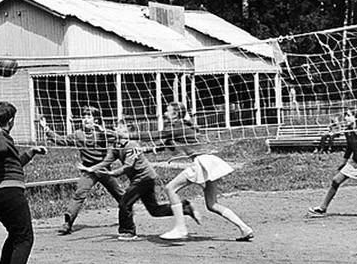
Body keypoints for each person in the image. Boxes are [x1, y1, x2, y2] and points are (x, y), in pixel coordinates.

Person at [80, 118, 198, 241]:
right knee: (154, 210)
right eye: (116, 127)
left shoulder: (132, 145)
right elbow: (106, 161)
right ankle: (185, 208)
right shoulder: (116, 145)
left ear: (127, 131)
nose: (116, 128)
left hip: (144, 178)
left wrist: (112, 173)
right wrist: (91, 169)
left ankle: (128, 232)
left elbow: (128, 166)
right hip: (142, 178)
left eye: (120, 127)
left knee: (125, 203)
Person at [156, 102, 254, 241]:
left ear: (176, 114)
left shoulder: (178, 126)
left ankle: (180, 228)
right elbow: (164, 144)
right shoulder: (182, 127)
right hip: (211, 162)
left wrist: (124, 135)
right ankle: (245, 229)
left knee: (170, 188)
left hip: (202, 162)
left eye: (167, 111)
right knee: (212, 204)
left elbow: (155, 135)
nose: (165, 114)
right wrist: (145, 150)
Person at [0, 101, 47, 264]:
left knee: (15, 235)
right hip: (7, 192)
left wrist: (31, 152)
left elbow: (12, 162)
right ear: (11, 121)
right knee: (25, 237)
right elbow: (2, 148)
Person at [39, 105, 124, 235]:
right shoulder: (78, 135)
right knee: (79, 194)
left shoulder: (101, 134)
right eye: (84, 116)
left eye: (89, 116)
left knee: (119, 193)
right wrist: (46, 129)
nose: (85, 119)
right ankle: (68, 223)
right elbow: (61, 141)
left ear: (95, 120)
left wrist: (103, 130)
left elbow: (118, 137)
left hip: (103, 168)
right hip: (88, 170)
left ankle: (127, 213)